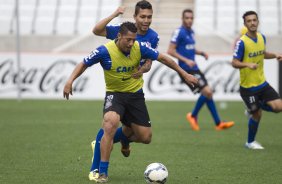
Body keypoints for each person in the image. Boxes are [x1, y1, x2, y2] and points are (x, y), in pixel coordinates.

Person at [63, 22, 198, 183]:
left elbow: (163, 58)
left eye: (133, 39)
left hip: (135, 96)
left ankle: (123, 138)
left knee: (145, 137)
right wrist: (70, 80)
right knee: (110, 123)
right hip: (115, 95)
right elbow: (83, 63)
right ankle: (103, 172)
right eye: (128, 40)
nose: (131, 43)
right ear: (119, 36)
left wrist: (184, 74)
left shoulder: (139, 47)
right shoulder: (104, 51)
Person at [89, 0, 160, 181]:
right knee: (110, 124)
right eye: (142, 16)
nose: (146, 20)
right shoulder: (121, 31)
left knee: (141, 135)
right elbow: (97, 30)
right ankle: (97, 168)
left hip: (135, 91)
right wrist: (114, 14)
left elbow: (149, 63)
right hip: (116, 89)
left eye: (149, 17)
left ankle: (122, 139)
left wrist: (143, 69)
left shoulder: (153, 37)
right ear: (135, 17)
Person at [167, 9, 234, 131]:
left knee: (208, 94)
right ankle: (193, 116)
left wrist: (201, 53)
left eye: (191, 18)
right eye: (187, 18)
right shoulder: (178, 32)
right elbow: (170, 51)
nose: (189, 20)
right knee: (207, 92)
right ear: (182, 19)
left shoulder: (191, 32)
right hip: (186, 70)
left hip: (195, 68)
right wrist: (186, 60)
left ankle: (218, 123)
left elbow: (190, 49)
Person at [232, 10, 282, 149]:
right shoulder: (242, 42)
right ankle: (250, 142)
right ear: (245, 24)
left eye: (254, 20)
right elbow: (234, 62)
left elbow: (263, 54)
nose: (252, 23)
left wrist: (275, 55)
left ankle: (253, 108)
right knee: (257, 115)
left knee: (278, 107)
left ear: (258, 22)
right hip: (248, 88)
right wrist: (247, 64)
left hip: (262, 83)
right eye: (249, 21)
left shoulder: (262, 37)